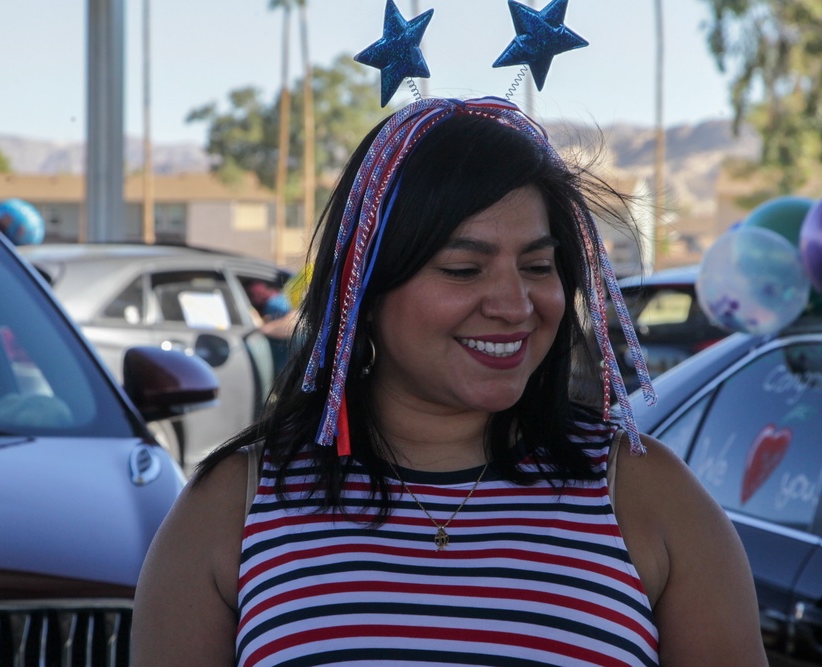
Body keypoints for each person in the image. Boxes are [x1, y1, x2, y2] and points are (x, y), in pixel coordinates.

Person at [131, 97, 766, 666]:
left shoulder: (646, 494)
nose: (515, 305)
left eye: (538, 265)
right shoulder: (232, 506)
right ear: (366, 291)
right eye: (464, 269)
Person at [244, 279, 296, 378]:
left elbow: (289, 326)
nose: (255, 297)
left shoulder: (275, 304)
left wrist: (260, 327)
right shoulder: (278, 301)